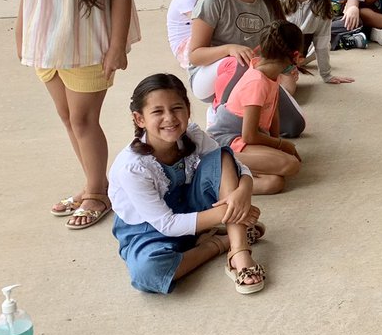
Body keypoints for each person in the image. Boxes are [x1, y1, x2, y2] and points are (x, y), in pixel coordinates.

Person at [16, 0, 141, 230]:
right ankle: (94, 184)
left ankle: (97, 194)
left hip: (87, 44)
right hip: (46, 41)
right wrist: (21, 28)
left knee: (84, 120)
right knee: (67, 117)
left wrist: (117, 45)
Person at [108, 73, 267, 295]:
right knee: (149, 272)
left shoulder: (191, 134)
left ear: (188, 110)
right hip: (150, 229)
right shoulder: (132, 167)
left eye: (176, 108)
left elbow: (233, 164)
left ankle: (239, 252)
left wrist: (243, 191)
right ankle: (219, 243)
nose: (169, 118)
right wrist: (232, 212)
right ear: (139, 119)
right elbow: (167, 224)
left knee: (221, 156)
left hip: (189, 206)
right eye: (157, 111)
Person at [187, 0, 305, 139]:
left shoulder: (267, 1)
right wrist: (230, 49)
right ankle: (218, 115)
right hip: (209, 79)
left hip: (252, 75)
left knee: (295, 125)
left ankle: (245, 119)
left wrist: (287, 65)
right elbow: (195, 55)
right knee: (243, 62)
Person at [206, 21, 305, 194]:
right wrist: (282, 144)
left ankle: (223, 182)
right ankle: (214, 161)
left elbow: (273, 112)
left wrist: (276, 145)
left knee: (274, 183)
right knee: (291, 165)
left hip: (244, 138)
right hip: (230, 138)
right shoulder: (257, 82)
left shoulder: (271, 73)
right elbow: (249, 135)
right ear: (295, 55)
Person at [280, 0, 354, 90]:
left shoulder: (323, 10)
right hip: (273, 56)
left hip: (294, 59)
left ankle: (302, 60)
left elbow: (322, 43)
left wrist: (326, 75)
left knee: (287, 90)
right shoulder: (278, 0)